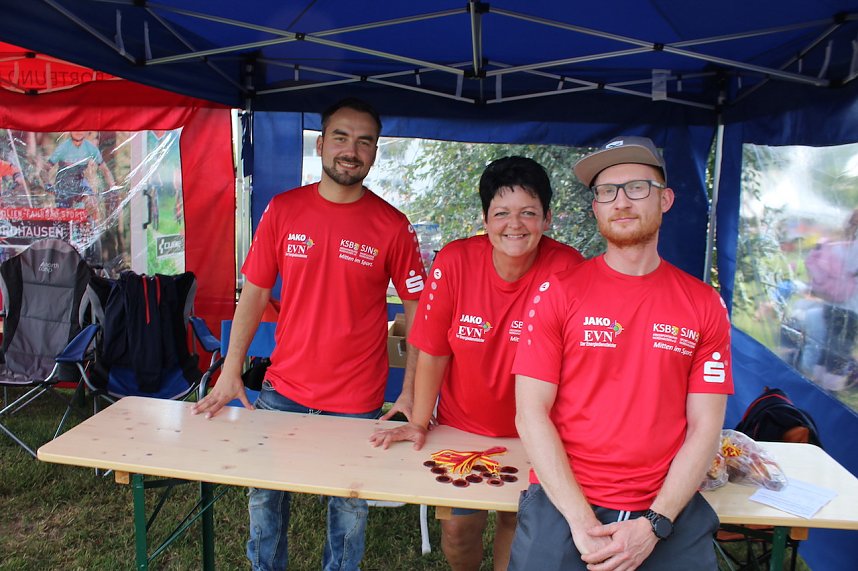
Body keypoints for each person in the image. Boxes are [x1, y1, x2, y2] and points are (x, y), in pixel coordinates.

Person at [192, 98, 427, 571]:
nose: (351, 150)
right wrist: (230, 373)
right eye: (341, 137)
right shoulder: (283, 210)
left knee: (348, 510)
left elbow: (419, 310)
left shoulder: (393, 225)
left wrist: (413, 392)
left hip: (357, 399)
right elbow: (254, 297)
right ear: (320, 144)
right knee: (264, 502)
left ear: (375, 153)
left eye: (364, 141)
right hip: (284, 388)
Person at [509, 136, 734, 571]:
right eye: (606, 191)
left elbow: (706, 426)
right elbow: (530, 414)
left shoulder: (704, 304)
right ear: (595, 207)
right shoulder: (557, 294)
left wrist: (654, 524)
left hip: (666, 505)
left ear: (665, 199)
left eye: (637, 187)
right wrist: (579, 521)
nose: (621, 201)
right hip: (565, 500)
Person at [369, 156, 584, 570]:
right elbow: (433, 350)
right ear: (485, 219)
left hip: (538, 434)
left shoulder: (567, 268)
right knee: (458, 532)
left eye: (528, 213)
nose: (514, 224)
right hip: (460, 427)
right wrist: (417, 419)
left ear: (548, 218)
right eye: (501, 213)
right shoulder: (455, 261)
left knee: (519, 523)